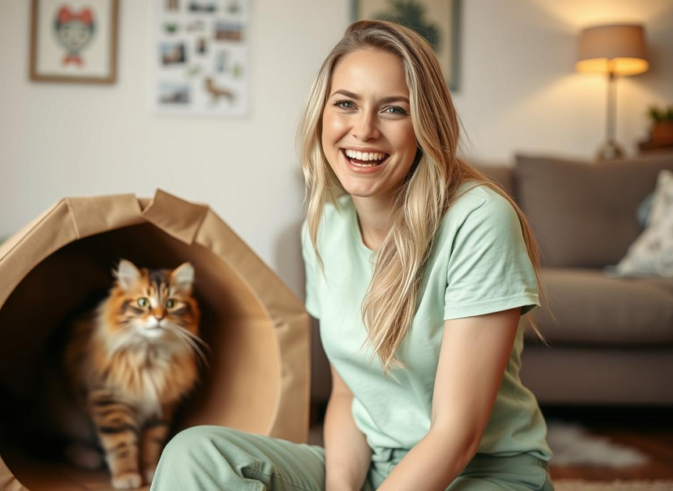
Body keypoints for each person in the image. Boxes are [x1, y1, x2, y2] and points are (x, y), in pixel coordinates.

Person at [150, 20, 555, 491]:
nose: (364, 130)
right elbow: (347, 393)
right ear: (322, 114)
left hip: (481, 473)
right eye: (346, 104)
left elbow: (457, 435)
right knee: (195, 455)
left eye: (393, 110)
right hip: (375, 468)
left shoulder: (480, 220)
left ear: (426, 123)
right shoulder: (324, 225)